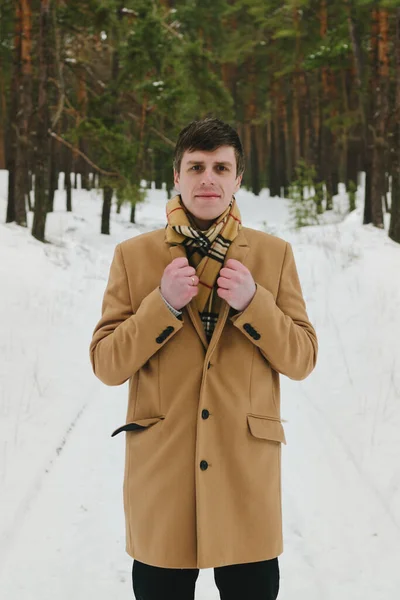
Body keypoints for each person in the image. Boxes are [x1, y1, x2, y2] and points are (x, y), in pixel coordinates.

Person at [89, 117, 318, 599]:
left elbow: (301, 358)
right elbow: (107, 363)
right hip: (163, 477)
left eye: (221, 167)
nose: (208, 178)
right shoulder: (134, 257)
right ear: (177, 176)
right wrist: (162, 305)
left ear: (238, 179)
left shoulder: (274, 256)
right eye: (196, 166)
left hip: (244, 476)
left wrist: (256, 303)